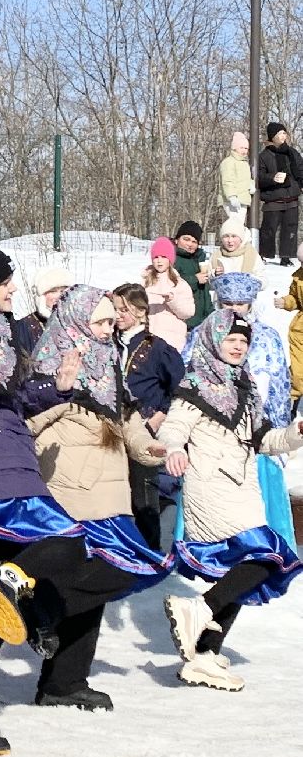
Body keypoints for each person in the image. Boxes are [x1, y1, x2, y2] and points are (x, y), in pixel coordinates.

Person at [0, 242, 136, 754]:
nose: (13, 289)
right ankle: (11, 585)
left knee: (0, 609)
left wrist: (57, 387)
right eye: (4, 280)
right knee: (67, 543)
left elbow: (14, 399)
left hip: (10, 467)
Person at [25, 285, 172, 710]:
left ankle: (65, 681)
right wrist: (57, 391)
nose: (110, 330)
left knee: (105, 582)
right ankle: (41, 617)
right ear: (76, 321)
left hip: (109, 495)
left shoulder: (109, 366)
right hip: (71, 493)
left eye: (112, 322)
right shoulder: (55, 366)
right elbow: (28, 423)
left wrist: (152, 449)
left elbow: (129, 423)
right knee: (111, 572)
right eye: (101, 322)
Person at [157, 309, 303, 691]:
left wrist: (295, 432)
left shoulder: (244, 385)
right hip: (210, 485)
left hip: (243, 485)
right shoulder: (196, 385)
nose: (238, 347)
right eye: (231, 340)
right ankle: (197, 609)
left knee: (237, 571)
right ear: (212, 341)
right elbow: (174, 427)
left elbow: (263, 440)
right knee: (267, 555)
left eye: (244, 341)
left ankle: (203, 653)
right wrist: (173, 448)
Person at [205, 272, 296, 550]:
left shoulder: (267, 337)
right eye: (227, 303)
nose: (234, 309)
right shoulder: (203, 334)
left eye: (241, 304)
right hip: (214, 435)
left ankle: (266, 551)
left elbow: (280, 385)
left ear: (250, 304)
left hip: (256, 434)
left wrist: (281, 429)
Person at [112, 283, 185, 551]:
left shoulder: (157, 348)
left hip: (147, 427)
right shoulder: (109, 343)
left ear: (141, 312)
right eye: (115, 309)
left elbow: (180, 387)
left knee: (144, 491)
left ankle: (150, 551)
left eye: (124, 310)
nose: (118, 315)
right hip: (115, 428)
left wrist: (162, 414)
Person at [257, 122, 303, 265]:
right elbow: (259, 176)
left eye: (284, 133)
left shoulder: (292, 152)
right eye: (280, 134)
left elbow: (301, 170)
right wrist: (272, 177)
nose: (284, 136)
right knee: (268, 229)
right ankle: (264, 255)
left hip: (292, 197)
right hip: (273, 198)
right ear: (273, 137)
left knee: (290, 228)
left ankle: (286, 257)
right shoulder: (264, 155)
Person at [139, 236, 195, 351]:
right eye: (156, 257)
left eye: (163, 257)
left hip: (171, 340)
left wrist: (172, 301)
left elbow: (188, 312)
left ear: (170, 259)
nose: (159, 261)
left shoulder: (179, 284)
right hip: (147, 337)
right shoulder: (145, 281)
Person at [12, 265, 71, 356]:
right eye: (53, 291)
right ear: (41, 296)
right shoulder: (25, 326)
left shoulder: (74, 322)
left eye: (63, 291)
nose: (60, 296)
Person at [172, 219, 213, 331]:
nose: (190, 244)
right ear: (177, 240)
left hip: (203, 316)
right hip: (184, 318)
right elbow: (170, 284)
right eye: (186, 239)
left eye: (194, 241)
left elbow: (205, 290)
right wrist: (194, 279)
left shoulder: (200, 258)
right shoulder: (172, 259)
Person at [274, 242, 303, 402]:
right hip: (300, 331)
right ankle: (292, 399)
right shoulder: (299, 276)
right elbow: (295, 298)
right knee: (298, 370)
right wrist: (286, 302)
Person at [219, 131, 255, 216]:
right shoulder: (229, 162)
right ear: (234, 148)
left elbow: (246, 178)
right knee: (234, 225)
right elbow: (227, 181)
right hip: (232, 200)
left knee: (239, 224)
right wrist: (232, 196)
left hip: (243, 198)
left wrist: (251, 184)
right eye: (241, 148)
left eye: (246, 148)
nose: (244, 151)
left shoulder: (244, 163)